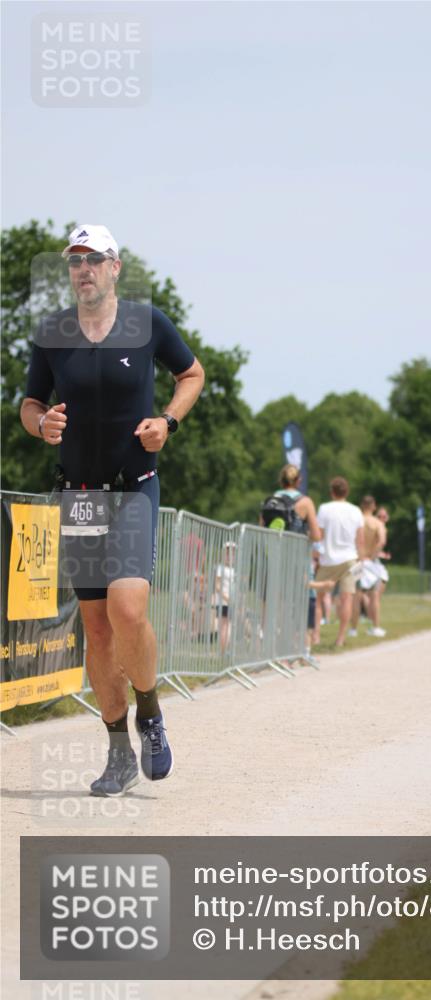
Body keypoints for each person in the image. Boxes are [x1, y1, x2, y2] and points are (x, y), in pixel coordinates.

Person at [20, 224, 205, 797]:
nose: (85, 270)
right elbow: (30, 404)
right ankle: (118, 749)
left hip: (132, 487)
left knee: (128, 609)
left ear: (115, 266)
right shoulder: (51, 333)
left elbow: (192, 374)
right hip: (78, 494)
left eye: (95, 260)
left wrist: (167, 422)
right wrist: (41, 423)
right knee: (96, 630)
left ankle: (150, 712)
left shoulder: (148, 323)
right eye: (75, 262)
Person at [270, 464, 321, 649]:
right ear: (299, 481)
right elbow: (316, 534)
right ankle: (301, 648)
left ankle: (281, 647)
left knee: (281, 604)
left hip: (276, 558)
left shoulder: (272, 499)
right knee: (302, 602)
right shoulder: (305, 502)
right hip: (298, 559)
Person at [315, 477, 365, 647]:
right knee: (347, 599)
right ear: (347, 492)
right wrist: (361, 561)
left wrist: (315, 555)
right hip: (350, 559)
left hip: (328, 559)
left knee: (318, 598)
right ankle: (340, 638)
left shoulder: (324, 509)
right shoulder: (356, 511)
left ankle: (315, 635)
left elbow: (319, 535)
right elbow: (361, 540)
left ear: (332, 492)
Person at [349, 495, 388, 638]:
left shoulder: (356, 522)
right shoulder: (377, 523)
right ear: (373, 506)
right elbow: (382, 541)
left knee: (356, 597)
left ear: (361, 505)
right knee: (374, 596)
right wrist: (372, 556)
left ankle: (353, 629)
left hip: (357, 561)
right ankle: (376, 627)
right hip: (371, 563)